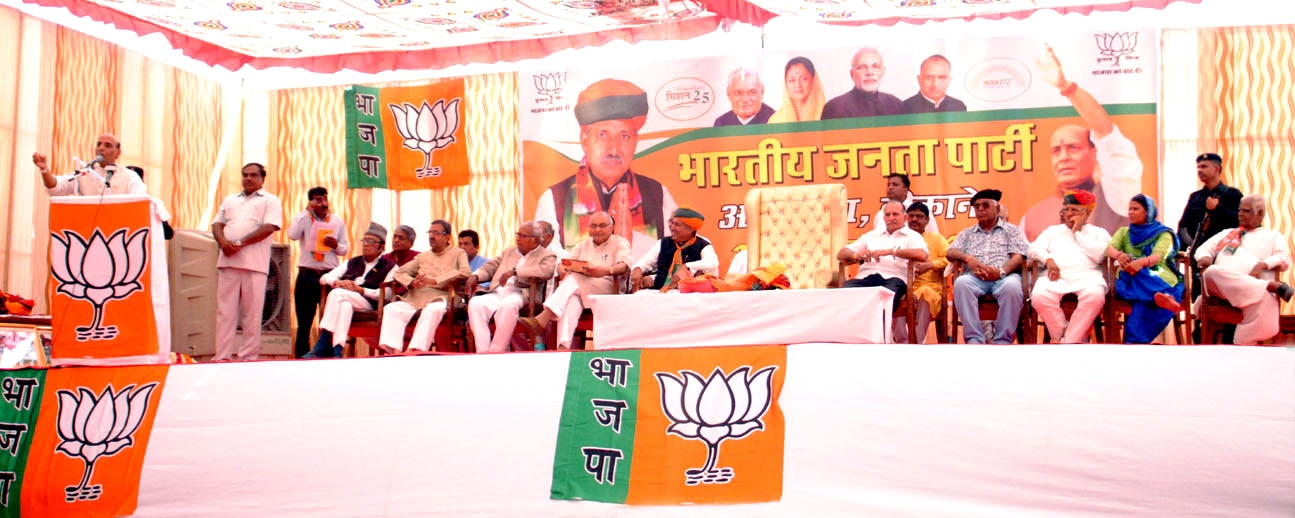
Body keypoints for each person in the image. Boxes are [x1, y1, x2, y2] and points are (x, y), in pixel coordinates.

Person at [534, 78, 677, 261]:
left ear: (635, 141)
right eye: (603, 135)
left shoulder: (658, 194)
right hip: (581, 285)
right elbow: (548, 257)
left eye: (624, 136)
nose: (613, 150)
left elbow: (671, 251)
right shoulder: (555, 198)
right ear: (584, 139)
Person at [1020, 44, 1143, 242]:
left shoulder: (1116, 193)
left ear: (1095, 154)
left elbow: (1106, 133)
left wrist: (1066, 87)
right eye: (1056, 151)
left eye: (1073, 148)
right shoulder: (1033, 216)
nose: (1064, 158)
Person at [520, 212, 631, 349]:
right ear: (589, 228)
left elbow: (623, 265)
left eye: (602, 226)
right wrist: (562, 269)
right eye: (594, 226)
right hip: (581, 291)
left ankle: (544, 316)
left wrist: (605, 270)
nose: (597, 230)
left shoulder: (619, 242)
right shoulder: (583, 245)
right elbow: (564, 264)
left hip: (606, 287)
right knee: (571, 301)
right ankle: (563, 348)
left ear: (611, 228)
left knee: (575, 278)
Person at [1194, 195, 1293, 344]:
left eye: (1246, 211)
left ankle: (1260, 287)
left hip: (1251, 291)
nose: (1240, 214)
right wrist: (1205, 259)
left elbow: (1284, 259)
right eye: (1239, 210)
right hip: (1222, 289)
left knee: (1261, 299)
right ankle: (1269, 286)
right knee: (1211, 272)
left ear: (1259, 214)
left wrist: (1262, 265)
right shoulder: (1227, 233)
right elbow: (1202, 250)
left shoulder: (1272, 236)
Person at [211, 163, 284, 361]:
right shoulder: (230, 199)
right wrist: (223, 242)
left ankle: (249, 356)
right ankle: (222, 356)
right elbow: (217, 224)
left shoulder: (271, 201)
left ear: (263, 178)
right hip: (228, 260)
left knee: (252, 313)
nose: (248, 179)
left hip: (254, 264)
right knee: (224, 313)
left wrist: (240, 243)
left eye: (253, 175)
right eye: (245, 175)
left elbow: (270, 227)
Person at [946, 190, 1029, 344]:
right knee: (961, 283)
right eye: (977, 207)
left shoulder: (1011, 230)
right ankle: (974, 339)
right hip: (975, 277)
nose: (981, 209)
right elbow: (950, 251)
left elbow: (1019, 255)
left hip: (1004, 276)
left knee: (1012, 287)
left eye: (985, 205)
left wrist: (1001, 271)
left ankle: (1002, 340)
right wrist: (967, 258)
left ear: (997, 209)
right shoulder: (967, 233)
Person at [1028, 190, 1111, 343]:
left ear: (1086, 212)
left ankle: (1066, 341)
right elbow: (1034, 249)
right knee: (1040, 296)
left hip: (1088, 276)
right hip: (1056, 275)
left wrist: (1077, 233)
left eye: (1074, 210)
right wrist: (1048, 260)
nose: (1069, 213)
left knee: (1095, 296)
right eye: (1066, 209)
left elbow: (1100, 255)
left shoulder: (1098, 232)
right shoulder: (1053, 231)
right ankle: (1069, 338)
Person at [303, 223, 397, 358]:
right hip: (347, 300)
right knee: (344, 306)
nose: (365, 244)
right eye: (364, 240)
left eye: (371, 241)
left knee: (336, 293)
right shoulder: (353, 262)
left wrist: (361, 290)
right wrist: (337, 282)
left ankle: (323, 341)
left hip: (368, 304)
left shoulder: (390, 267)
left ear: (381, 247)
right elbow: (324, 278)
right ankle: (337, 350)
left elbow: (387, 294)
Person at [377, 219, 470, 354]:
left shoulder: (458, 253)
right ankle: (394, 350)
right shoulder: (422, 256)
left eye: (436, 233)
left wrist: (435, 280)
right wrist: (412, 282)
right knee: (392, 308)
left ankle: (416, 349)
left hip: (442, 296)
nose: (431, 236)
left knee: (432, 310)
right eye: (430, 233)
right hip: (417, 296)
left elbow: (465, 272)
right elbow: (400, 272)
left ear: (447, 236)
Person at [466, 222, 557, 353]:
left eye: (523, 236)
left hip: (522, 294)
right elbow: (491, 266)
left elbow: (545, 271)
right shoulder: (509, 251)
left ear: (535, 239)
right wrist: (476, 276)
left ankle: (496, 351)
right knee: (476, 303)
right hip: (498, 291)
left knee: (509, 305)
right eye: (517, 234)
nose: (518, 238)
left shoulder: (546, 255)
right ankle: (482, 351)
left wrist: (515, 272)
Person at [1105, 194, 1184, 344]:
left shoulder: (1163, 233)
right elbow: (1109, 249)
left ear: (1148, 212)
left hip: (1158, 272)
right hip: (1128, 278)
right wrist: (1120, 255)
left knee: (1142, 300)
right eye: (1129, 209)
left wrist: (1141, 263)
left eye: (1136, 209)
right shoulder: (1124, 232)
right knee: (1134, 273)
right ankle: (1163, 295)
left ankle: (1135, 341)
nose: (1131, 212)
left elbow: (1158, 256)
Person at [837, 201, 928, 326]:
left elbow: (922, 254)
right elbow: (841, 254)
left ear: (905, 217)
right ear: (883, 218)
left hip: (893, 279)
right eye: (888, 215)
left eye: (895, 214)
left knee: (884, 299)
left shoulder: (912, 236)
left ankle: (877, 338)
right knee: (842, 292)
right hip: (866, 278)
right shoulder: (871, 236)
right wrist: (856, 255)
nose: (891, 218)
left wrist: (892, 251)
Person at [287, 186, 349, 358]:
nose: (322, 203)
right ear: (311, 202)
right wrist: (305, 212)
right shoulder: (304, 218)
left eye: (324, 199)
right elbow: (292, 235)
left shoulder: (336, 221)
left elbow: (344, 250)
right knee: (304, 322)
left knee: (328, 321)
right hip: (307, 274)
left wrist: (335, 245)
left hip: (329, 275)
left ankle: (327, 356)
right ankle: (301, 357)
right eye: (317, 199)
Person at [894, 202, 948, 344]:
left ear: (927, 220)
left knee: (925, 293)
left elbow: (949, 258)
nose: (915, 219)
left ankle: (916, 343)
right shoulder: (899, 239)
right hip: (905, 285)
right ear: (906, 218)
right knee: (896, 295)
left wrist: (930, 265)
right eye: (911, 216)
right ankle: (901, 342)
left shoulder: (936, 239)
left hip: (931, 287)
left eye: (919, 216)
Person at [630, 208, 720, 291]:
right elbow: (645, 262)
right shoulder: (663, 243)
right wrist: (638, 269)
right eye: (671, 223)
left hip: (689, 295)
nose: (672, 227)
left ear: (690, 229)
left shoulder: (702, 244)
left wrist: (687, 267)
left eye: (677, 225)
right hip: (660, 292)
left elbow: (712, 263)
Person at [32, 133, 147, 196]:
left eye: (107, 145)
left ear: (118, 153)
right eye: (99, 144)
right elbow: (57, 187)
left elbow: (139, 203)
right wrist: (44, 170)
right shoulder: (84, 173)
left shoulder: (130, 177)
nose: (101, 148)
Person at [821, 48, 903, 120]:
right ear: (852, 74)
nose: (869, 72)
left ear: (883, 72)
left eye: (875, 66)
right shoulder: (834, 108)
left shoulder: (896, 105)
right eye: (862, 67)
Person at [870, 173, 938, 234]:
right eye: (888, 185)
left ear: (905, 190)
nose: (890, 187)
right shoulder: (880, 214)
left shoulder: (921, 211)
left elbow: (934, 236)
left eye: (895, 184)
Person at [767, 57, 826, 124]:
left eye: (804, 79)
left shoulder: (827, 116)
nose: (798, 85)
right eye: (792, 80)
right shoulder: (775, 121)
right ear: (785, 84)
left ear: (813, 80)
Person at [901, 54, 967, 114]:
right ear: (919, 79)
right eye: (929, 77)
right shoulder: (904, 108)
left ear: (949, 80)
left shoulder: (959, 107)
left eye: (942, 77)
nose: (935, 84)